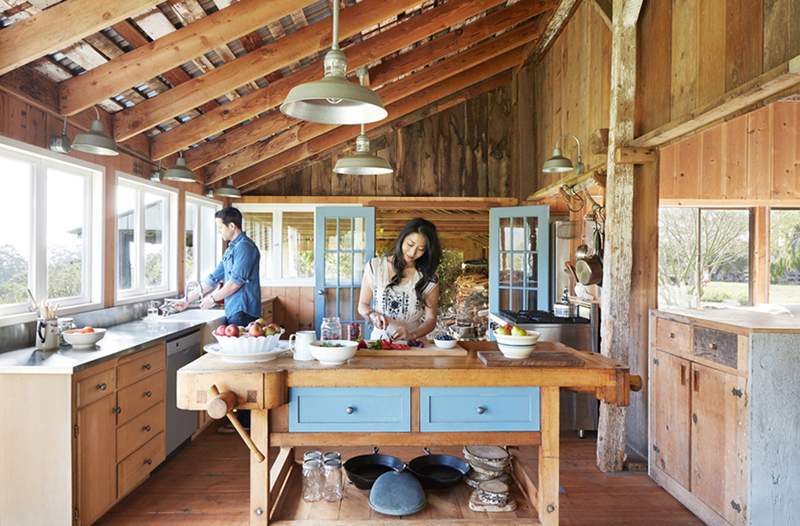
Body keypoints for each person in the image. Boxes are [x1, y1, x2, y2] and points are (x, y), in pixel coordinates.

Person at [357, 218, 442, 340]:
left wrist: (412, 335)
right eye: (410, 244)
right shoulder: (375, 267)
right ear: (402, 239)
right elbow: (362, 305)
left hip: (414, 344)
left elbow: (431, 319)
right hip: (380, 343)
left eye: (421, 249)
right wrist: (373, 315)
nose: (413, 253)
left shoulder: (429, 276)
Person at [181, 206, 261, 327]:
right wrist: (186, 300)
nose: (219, 231)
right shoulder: (231, 249)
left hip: (243, 312)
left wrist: (212, 299)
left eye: (220, 227)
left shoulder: (245, 247)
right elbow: (212, 279)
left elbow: (235, 283)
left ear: (232, 226)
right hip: (234, 311)